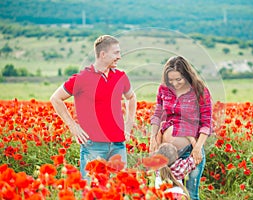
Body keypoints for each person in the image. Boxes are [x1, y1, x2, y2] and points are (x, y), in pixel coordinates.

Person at [50, 35, 137, 179]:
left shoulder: (120, 76)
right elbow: (56, 98)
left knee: (118, 190)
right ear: (103, 54)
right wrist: (72, 126)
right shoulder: (82, 78)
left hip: (118, 145)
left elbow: (131, 97)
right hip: (92, 146)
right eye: (116, 53)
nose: (120, 57)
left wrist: (129, 123)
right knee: (92, 191)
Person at [150, 55, 213, 200]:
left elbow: (206, 123)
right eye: (170, 80)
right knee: (167, 194)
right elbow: (157, 114)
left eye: (178, 79)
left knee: (191, 194)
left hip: (191, 151)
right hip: (167, 153)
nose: (175, 83)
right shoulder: (164, 89)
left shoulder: (200, 91)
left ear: (187, 74)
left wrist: (197, 148)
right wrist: (153, 138)